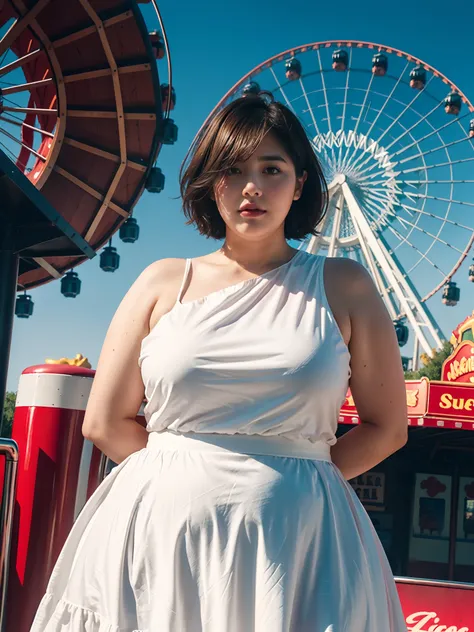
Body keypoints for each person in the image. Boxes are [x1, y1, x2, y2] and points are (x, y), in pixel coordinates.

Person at [31, 94, 408, 631]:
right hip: (161, 538)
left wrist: (296, 479)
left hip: (298, 544)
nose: (251, 186)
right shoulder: (162, 282)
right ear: (212, 184)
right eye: (232, 170)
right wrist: (186, 475)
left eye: (271, 168)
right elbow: (103, 421)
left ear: (299, 183)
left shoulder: (344, 284)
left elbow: (387, 427)